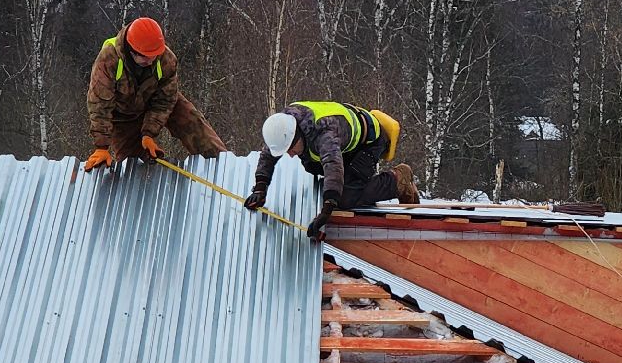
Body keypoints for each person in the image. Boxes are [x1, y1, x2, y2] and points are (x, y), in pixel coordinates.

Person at [245, 101, 418, 240]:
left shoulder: (325, 135)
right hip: (346, 141)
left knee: (345, 198)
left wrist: (327, 209)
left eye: (290, 148)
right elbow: (268, 154)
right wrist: (261, 187)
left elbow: (332, 166)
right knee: (310, 164)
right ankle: (355, 178)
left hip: (370, 142)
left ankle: (397, 180)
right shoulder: (284, 124)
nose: (290, 155)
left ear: (296, 135)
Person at [80, 17, 227, 171]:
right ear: (132, 51)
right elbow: (100, 105)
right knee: (135, 165)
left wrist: (149, 133)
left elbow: (165, 101)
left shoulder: (166, 59)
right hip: (123, 116)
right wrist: (101, 146)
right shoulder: (108, 60)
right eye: (145, 57)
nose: (151, 61)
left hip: (155, 101)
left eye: (154, 56)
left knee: (190, 119)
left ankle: (223, 167)